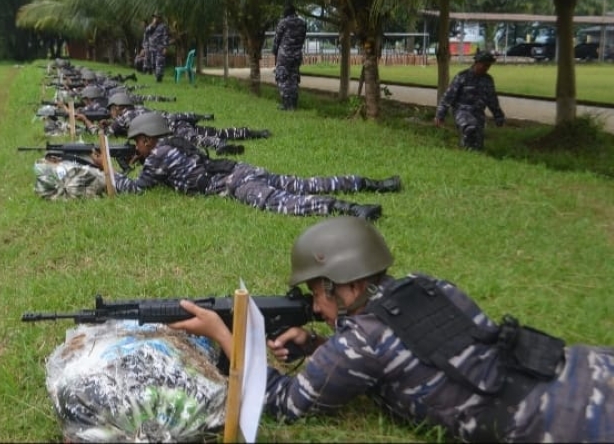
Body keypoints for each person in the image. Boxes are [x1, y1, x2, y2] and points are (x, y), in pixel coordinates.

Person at [169, 216, 614, 442]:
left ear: (346, 286)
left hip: (572, 423)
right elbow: (427, 349)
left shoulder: (362, 343)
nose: (314, 306)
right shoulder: (427, 286)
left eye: (317, 294)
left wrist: (224, 335)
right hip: (581, 366)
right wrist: (323, 344)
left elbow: (283, 404)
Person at [91, 112, 401, 219]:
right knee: (303, 182)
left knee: (283, 203)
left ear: (147, 140)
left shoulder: (158, 155)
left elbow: (136, 189)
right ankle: (371, 182)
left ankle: (349, 209)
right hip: (239, 169)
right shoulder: (173, 142)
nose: (136, 148)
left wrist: (106, 167)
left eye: (137, 143)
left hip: (234, 184)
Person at [79, 93, 270, 156]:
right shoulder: (138, 108)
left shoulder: (124, 116)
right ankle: (255, 133)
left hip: (171, 127)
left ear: (119, 108)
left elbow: (102, 133)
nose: (111, 112)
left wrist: (85, 120)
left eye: (113, 109)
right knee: (220, 131)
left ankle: (220, 145)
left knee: (196, 139)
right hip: (176, 119)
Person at [434, 50, 506, 151]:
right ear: (477, 62)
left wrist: (499, 117)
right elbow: (448, 97)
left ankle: (473, 156)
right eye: (484, 65)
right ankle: (465, 151)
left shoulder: (488, 80)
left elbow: (492, 100)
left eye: (488, 66)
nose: (486, 68)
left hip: (478, 113)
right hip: (462, 110)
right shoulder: (462, 77)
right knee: (470, 128)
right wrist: (440, 115)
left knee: (477, 142)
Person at [272, 3, 307, 111]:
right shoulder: (303, 23)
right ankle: (294, 104)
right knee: (293, 79)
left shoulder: (283, 23)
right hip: (296, 55)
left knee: (282, 78)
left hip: (284, 55)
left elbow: (277, 40)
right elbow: (302, 38)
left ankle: (286, 104)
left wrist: (274, 52)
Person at [145, 12, 170, 83]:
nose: (155, 18)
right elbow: (146, 32)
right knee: (153, 64)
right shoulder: (151, 26)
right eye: (154, 17)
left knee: (159, 63)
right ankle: (157, 75)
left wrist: (165, 47)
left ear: (160, 18)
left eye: (156, 17)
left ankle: (159, 77)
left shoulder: (163, 26)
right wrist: (152, 25)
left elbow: (166, 37)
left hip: (160, 48)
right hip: (152, 48)